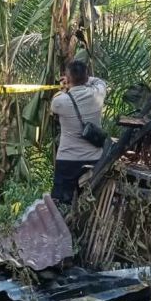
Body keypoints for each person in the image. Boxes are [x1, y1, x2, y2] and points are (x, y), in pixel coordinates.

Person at [50, 60, 108, 204]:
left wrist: (66, 87)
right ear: (86, 77)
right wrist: (85, 79)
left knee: (62, 204)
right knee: (91, 203)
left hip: (67, 160)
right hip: (94, 159)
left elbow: (54, 104)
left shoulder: (59, 102)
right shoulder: (98, 94)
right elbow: (100, 82)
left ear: (68, 78)